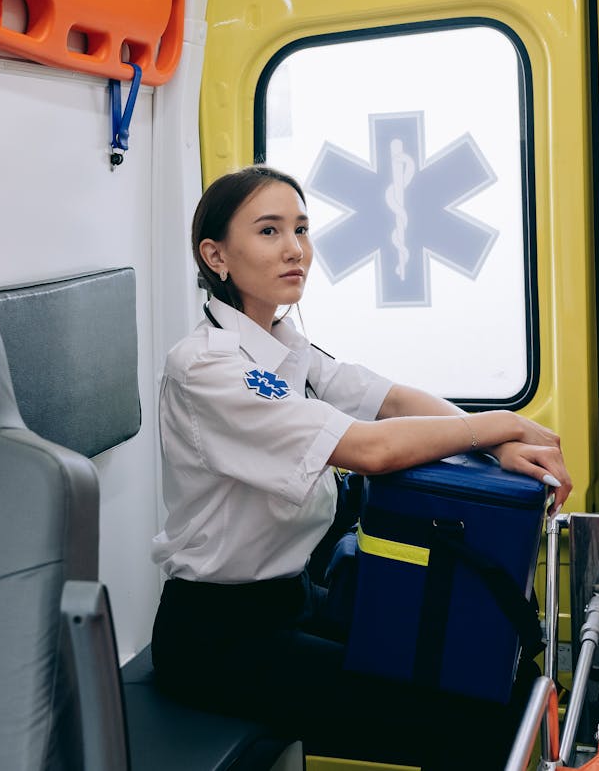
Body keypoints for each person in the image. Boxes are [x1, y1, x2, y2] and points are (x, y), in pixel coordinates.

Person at [151, 164, 572, 770]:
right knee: (482, 719)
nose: (295, 248)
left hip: (293, 599)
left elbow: (391, 400)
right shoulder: (207, 366)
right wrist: (502, 423)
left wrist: (495, 448)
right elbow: (369, 448)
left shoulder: (285, 345)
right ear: (216, 255)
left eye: (301, 228)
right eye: (269, 231)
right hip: (220, 640)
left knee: (492, 670)